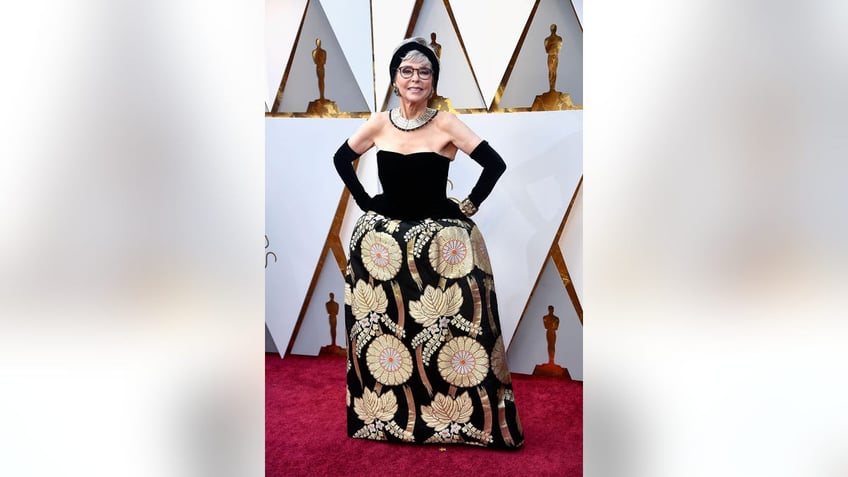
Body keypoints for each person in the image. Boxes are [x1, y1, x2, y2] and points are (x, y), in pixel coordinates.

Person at [333, 37, 523, 449]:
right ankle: (384, 420)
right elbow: (340, 159)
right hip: (383, 249)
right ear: (395, 80)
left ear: (433, 82)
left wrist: (469, 203)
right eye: (407, 71)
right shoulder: (380, 123)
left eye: (424, 72)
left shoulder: (446, 123)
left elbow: (495, 164)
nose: (415, 78)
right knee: (386, 333)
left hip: (440, 245)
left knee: (453, 333)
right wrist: (367, 203)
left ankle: (461, 422)